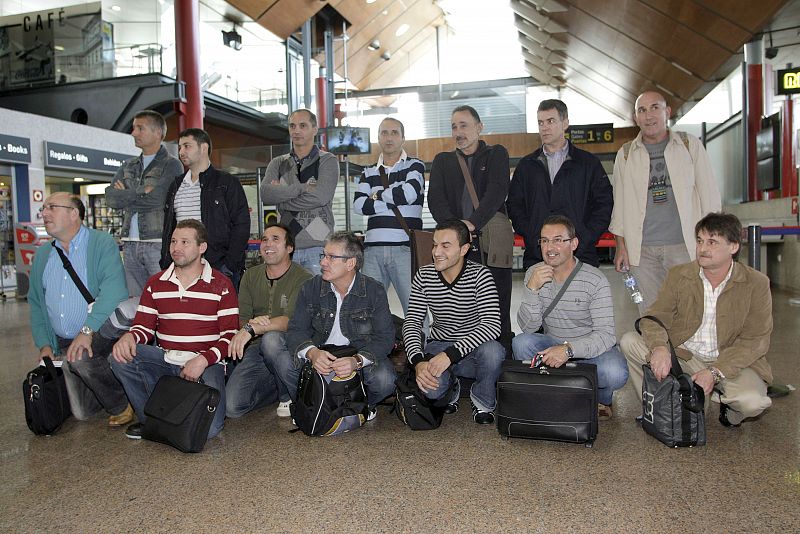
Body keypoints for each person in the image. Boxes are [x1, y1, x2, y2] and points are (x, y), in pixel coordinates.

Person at [620, 213, 773, 427]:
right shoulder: (680, 274)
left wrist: (714, 372)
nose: (703, 248)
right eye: (700, 241)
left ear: (734, 247)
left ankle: (729, 412)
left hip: (731, 360)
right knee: (629, 341)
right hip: (685, 356)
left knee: (753, 403)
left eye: (712, 242)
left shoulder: (756, 283)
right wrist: (659, 347)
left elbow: (755, 340)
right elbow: (653, 317)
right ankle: (657, 406)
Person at [111, 219, 238, 440]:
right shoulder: (155, 283)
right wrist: (130, 336)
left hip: (206, 363)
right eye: (173, 241)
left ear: (202, 248)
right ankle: (150, 420)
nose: (176, 248)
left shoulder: (222, 285)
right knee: (120, 356)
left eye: (185, 242)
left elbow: (229, 337)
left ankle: (168, 419)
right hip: (166, 359)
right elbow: (144, 327)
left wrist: (203, 360)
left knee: (210, 431)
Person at [610, 90, 721, 313]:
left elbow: (709, 195)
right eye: (642, 110)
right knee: (651, 312)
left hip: (685, 246)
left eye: (655, 108)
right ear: (635, 117)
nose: (648, 115)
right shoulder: (625, 154)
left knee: (690, 309)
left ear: (667, 112)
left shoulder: (690, 145)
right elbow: (619, 205)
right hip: (642, 251)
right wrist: (621, 247)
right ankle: (657, 349)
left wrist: (712, 242)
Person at [28, 193, 132, 426]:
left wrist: (87, 331)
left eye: (52, 207)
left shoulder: (101, 243)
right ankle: (98, 375)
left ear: (74, 213)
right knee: (83, 412)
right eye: (44, 208)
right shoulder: (43, 255)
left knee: (81, 358)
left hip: (100, 331)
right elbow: (36, 302)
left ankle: (121, 403)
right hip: (63, 340)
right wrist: (45, 344)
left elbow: (114, 291)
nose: (44, 213)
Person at [512, 215, 628, 419]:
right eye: (544, 240)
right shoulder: (535, 272)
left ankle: (602, 396)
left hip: (590, 349)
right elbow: (529, 327)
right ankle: (556, 391)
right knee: (521, 344)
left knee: (614, 372)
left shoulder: (595, 279)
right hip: (553, 340)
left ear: (573, 244)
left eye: (558, 240)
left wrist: (568, 350)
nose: (550, 247)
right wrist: (532, 288)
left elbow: (606, 335)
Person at [280, 231, 396, 420]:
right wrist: (312, 353)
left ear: (350, 263)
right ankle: (306, 403)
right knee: (277, 350)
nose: (323, 262)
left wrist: (356, 361)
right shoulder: (311, 287)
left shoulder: (374, 290)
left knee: (385, 379)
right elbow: (296, 330)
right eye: (323, 255)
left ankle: (364, 405)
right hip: (320, 353)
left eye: (331, 257)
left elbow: (385, 338)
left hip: (357, 353)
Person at [428, 105, 514, 351]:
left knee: (497, 302)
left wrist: (473, 222)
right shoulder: (443, 161)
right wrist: (457, 232)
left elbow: (497, 191)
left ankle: (500, 360)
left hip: (491, 244)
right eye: (454, 126)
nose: (458, 131)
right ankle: (459, 358)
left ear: (479, 127)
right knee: (460, 304)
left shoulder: (497, 154)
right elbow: (436, 200)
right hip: (457, 248)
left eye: (464, 125)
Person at [402, 219, 504, 425]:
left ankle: (483, 401)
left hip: (474, 350)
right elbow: (412, 322)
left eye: (445, 246)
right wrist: (418, 362)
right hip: (440, 345)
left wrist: (450, 355)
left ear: (464, 249)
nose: (436, 251)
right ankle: (452, 387)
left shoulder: (480, 275)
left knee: (493, 352)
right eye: (435, 244)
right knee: (431, 391)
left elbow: (492, 325)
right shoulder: (424, 275)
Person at [507, 99, 613, 269]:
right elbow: (514, 205)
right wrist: (532, 234)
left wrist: (584, 236)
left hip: (581, 256)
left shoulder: (588, 163)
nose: (544, 127)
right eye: (540, 122)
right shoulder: (526, 166)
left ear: (565, 123)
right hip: (538, 257)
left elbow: (604, 203)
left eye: (551, 121)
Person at [225, 223, 312, 419]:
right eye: (264, 239)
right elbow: (242, 320)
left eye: (275, 239)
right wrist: (251, 325)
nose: (267, 244)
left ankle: (288, 393)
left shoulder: (304, 278)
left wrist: (255, 327)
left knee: (271, 338)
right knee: (232, 407)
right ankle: (277, 385)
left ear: (290, 248)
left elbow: (292, 321)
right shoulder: (250, 276)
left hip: (291, 346)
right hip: (255, 348)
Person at [105, 110, 183, 298]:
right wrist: (140, 191)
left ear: (158, 133)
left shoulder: (171, 165)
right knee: (136, 303)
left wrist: (126, 195)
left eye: (140, 128)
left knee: (163, 298)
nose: (134, 133)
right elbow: (111, 199)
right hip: (130, 244)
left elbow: (158, 199)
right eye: (134, 128)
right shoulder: (128, 165)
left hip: (157, 243)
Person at [160, 128, 250, 289]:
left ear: (204, 148)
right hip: (181, 267)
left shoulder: (226, 183)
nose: (181, 152)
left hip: (219, 267)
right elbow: (168, 228)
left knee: (220, 313)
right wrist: (166, 261)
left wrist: (229, 265)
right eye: (180, 147)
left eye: (187, 146)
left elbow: (241, 225)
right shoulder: (176, 185)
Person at [352, 117, 425, 314]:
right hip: (372, 251)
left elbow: (408, 194)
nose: (389, 137)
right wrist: (392, 198)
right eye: (384, 133)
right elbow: (358, 205)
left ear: (403, 138)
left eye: (394, 133)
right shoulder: (368, 172)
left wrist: (374, 196)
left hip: (405, 249)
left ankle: (418, 345)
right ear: (378, 138)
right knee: (367, 311)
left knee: (415, 310)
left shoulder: (415, 166)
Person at [260, 109, 339, 276]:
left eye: (303, 126)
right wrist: (302, 188)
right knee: (287, 301)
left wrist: (282, 197)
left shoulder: (327, 160)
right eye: (292, 126)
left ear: (315, 128)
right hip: (286, 246)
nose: (296, 130)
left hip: (317, 242)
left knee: (319, 300)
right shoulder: (278, 163)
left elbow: (320, 197)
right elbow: (266, 194)